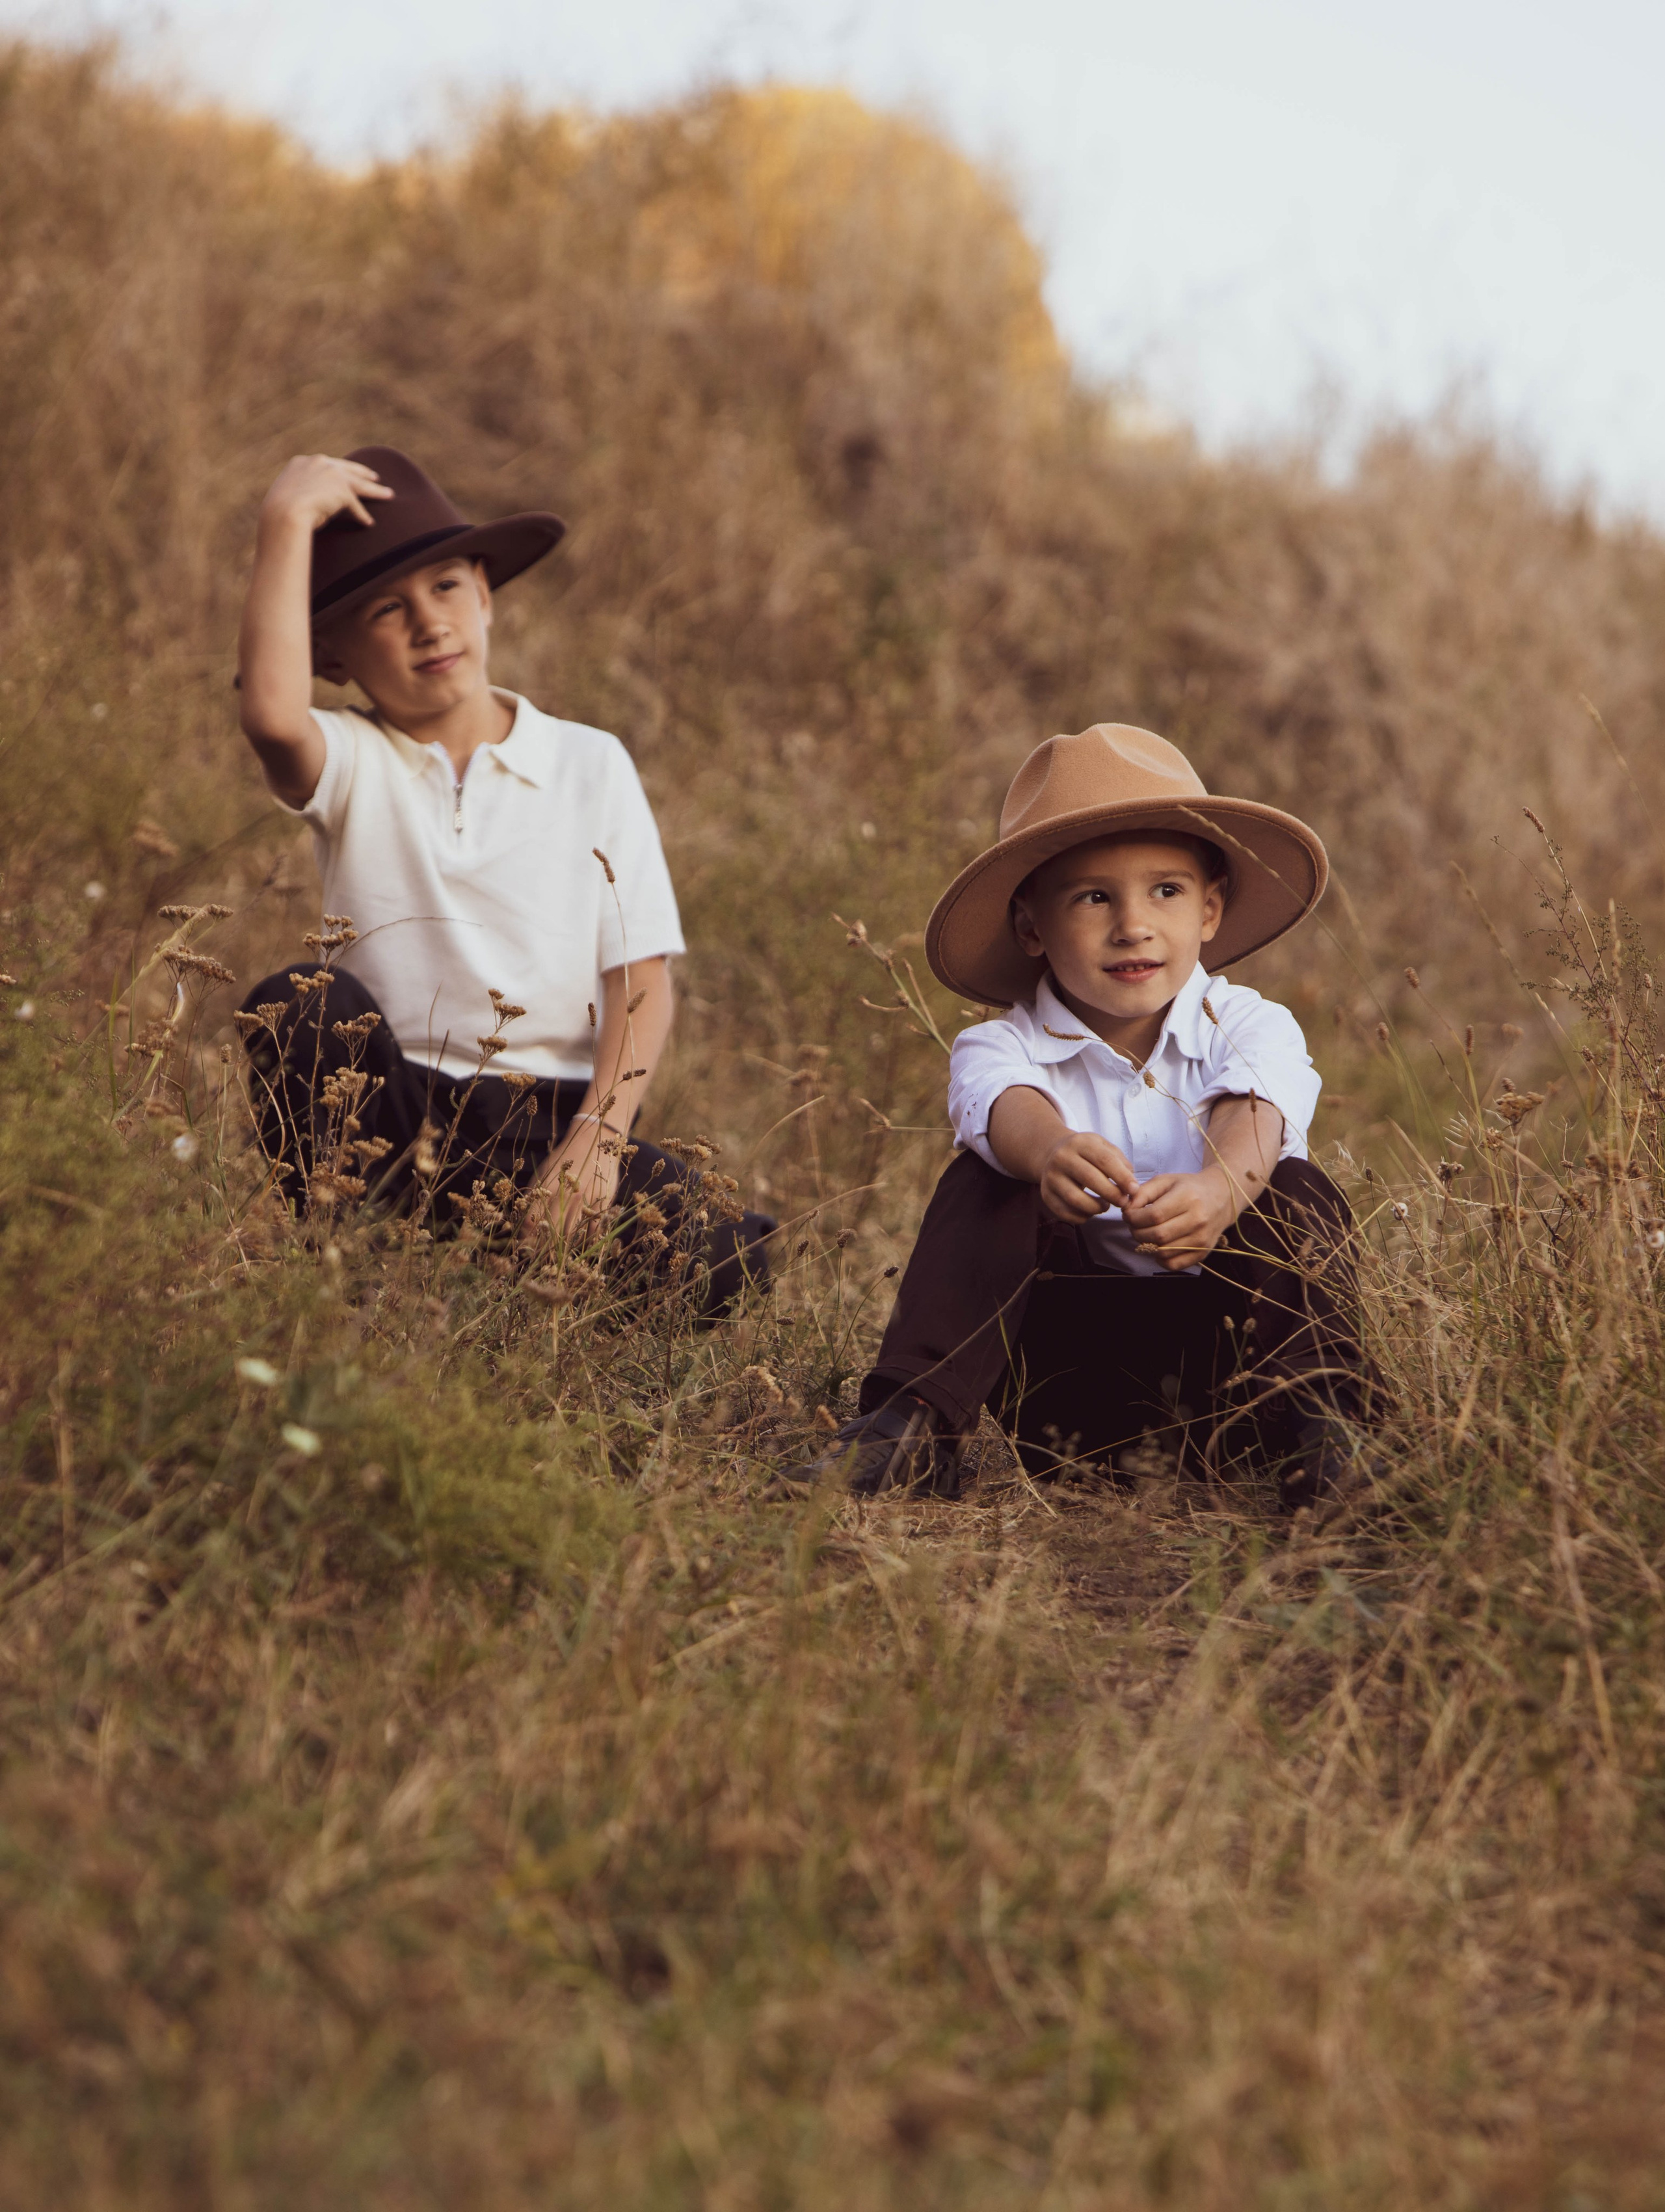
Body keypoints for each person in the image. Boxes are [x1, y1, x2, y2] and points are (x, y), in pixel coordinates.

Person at [233, 445, 773, 1307]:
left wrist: (596, 1145)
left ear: (485, 593)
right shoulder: (351, 759)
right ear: (331, 658)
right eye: (385, 609)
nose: (428, 624)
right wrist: (284, 520)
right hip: (391, 1108)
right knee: (298, 1003)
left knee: (721, 1252)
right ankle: (355, 1256)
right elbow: (269, 714)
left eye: (446, 588)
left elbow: (641, 980)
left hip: (546, 1125)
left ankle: (516, 1259)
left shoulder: (589, 762)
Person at [793, 722, 1372, 1511]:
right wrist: (1052, 1151)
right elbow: (1001, 1104)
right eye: (1094, 897)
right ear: (1032, 928)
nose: (1132, 924)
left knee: (1293, 1187)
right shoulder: (999, 1043)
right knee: (990, 1178)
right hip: (1075, 1395)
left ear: (1209, 910)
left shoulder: (1248, 1022)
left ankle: (1324, 1429)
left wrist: (1216, 1190)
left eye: (1164, 891)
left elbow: (1257, 1110)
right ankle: (915, 1421)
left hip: (1238, 1377)